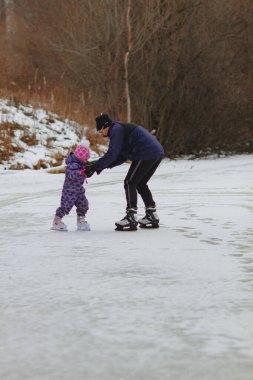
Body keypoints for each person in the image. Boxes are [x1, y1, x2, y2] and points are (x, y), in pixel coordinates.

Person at [85, 113, 164, 231]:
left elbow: (112, 154)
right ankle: (151, 214)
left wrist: (95, 166)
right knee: (140, 183)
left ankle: (131, 217)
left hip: (146, 152)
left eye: (100, 131)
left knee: (130, 182)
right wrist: (98, 167)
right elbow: (120, 157)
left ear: (106, 126)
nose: (101, 134)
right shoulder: (119, 130)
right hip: (156, 152)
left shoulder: (116, 130)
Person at [51, 139, 91, 232]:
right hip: (69, 191)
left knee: (84, 204)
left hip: (79, 190)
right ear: (81, 157)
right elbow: (71, 174)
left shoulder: (81, 164)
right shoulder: (72, 165)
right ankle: (56, 222)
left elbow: (86, 170)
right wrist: (81, 172)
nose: (86, 161)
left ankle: (81, 221)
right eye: (85, 159)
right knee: (65, 206)